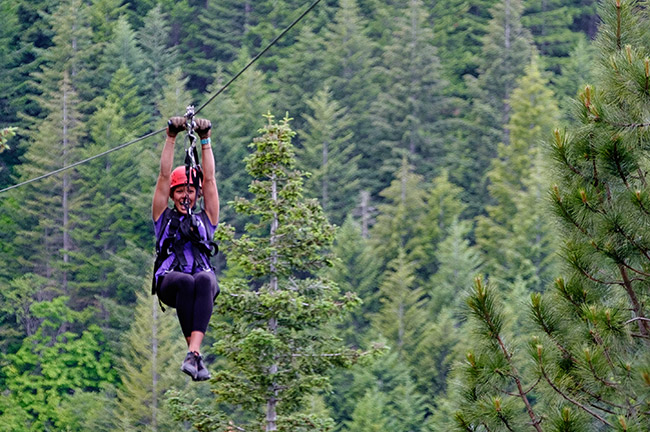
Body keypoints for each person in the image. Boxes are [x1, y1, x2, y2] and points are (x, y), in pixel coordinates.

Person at [152, 116, 219, 381]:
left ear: (197, 194)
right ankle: (194, 354)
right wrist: (171, 137)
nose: (185, 196)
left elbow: (210, 181)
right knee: (185, 282)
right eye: (179, 191)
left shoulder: (206, 218)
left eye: (190, 191)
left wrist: (206, 141)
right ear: (172, 195)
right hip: (171, 281)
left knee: (203, 279)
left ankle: (194, 354)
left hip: (202, 279)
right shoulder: (163, 218)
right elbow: (164, 176)